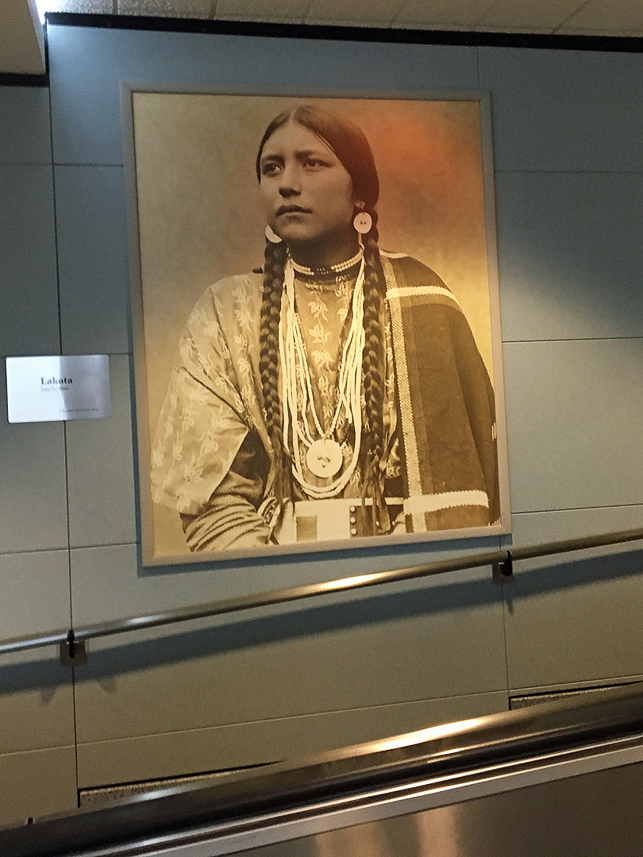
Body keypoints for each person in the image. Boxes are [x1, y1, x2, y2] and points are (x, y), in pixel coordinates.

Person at [151, 104, 500, 552]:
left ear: (360, 192)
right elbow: (216, 504)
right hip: (270, 588)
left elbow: (461, 468)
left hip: (409, 575)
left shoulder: (422, 296)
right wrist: (284, 585)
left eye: (312, 163)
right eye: (271, 167)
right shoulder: (226, 313)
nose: (287, 183)